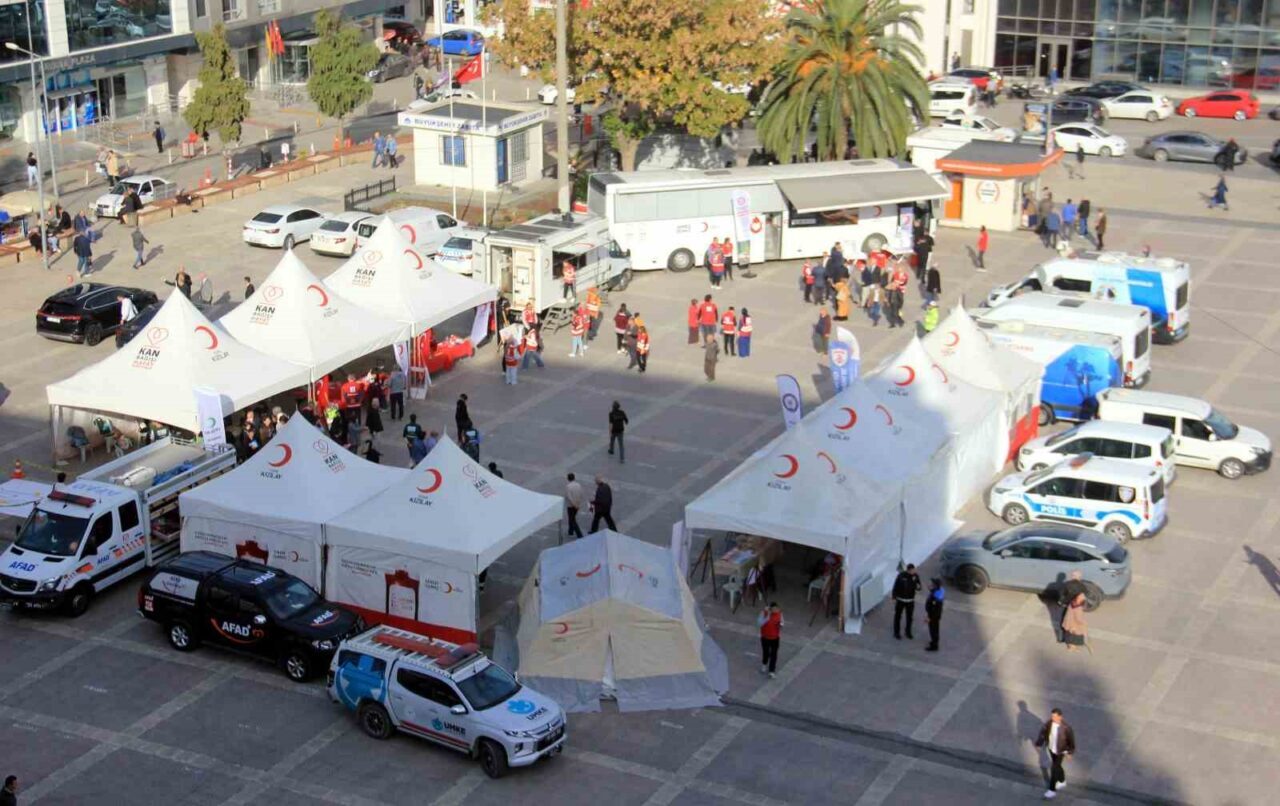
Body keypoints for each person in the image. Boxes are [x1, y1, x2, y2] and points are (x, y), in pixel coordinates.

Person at [1035, 708, 1076, 799]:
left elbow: (1071, 741)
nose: (1052, 718)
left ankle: (1051, 790)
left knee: (1054, 768)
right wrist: (1039, 743)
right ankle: (1062, 781)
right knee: (1057, 766)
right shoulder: (1049, 723)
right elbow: (1043, 733)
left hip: (1060, 751)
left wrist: (1069, 752)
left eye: (1055, 716)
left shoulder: (1066, 728)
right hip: (1051, 748)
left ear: (1060, 717)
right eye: (1052, 716)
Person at [892, 563, 922, 640]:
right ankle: (896, 632)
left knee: (909, 617)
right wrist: (894, 597)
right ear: (908, 570)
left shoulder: (915, 576)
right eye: (912, 570)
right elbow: (896, 586)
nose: (914, 571)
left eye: (914, 570)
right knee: (898, 616)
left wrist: (918, 587)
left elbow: (919, 586)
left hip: (910, 600)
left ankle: (908, 632)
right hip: (901, 600)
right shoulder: (901, 576)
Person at [757, 602, 783, 678]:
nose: (777, 610)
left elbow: (782, 623)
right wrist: (766, 615)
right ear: (771, 609)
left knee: (774, 654)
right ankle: (764, 664)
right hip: (765, 637)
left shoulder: (780, 614)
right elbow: (759, 623)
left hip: (775, 638)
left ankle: (772, 670)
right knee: (766, 652)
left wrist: (780, 625)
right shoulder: (763, 613)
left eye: (777, 608)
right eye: (775, 609)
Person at [924, 578, 944, 651]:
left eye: (933, 584)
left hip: (934, 617)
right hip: (935, 616)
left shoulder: (936, 597)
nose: (931, 585)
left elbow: (934, 610)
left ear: (936, 586)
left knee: (933, 630)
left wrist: (929, 617)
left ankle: (934, 646)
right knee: (934, 630)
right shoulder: (937, 592)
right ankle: (934, 642)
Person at [565, 472, 586, 539]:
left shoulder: (568, 486)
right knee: (572, 518)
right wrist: (578, 503)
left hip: (571, 506)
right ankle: (570, 531)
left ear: (568, 479)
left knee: (572, 519)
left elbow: (569, 497)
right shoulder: (578, 485)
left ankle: (579, 534)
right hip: (577, 505)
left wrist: (574, 504)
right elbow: (581, 494)